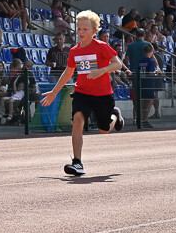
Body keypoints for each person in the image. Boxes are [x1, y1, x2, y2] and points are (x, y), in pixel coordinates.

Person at [40, 10, 124, 177]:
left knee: (104, 129)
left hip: (102, 94)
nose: (81, 32)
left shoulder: (101, 46)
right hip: (82, 92)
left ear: (94, 31)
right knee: (77, 121)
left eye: (85, 29)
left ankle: (115, 114)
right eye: (79, 29)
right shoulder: (74, 51)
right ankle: (77, 162)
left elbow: (118, 64)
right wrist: (54, 91)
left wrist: (102, 70)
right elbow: (68, 72)